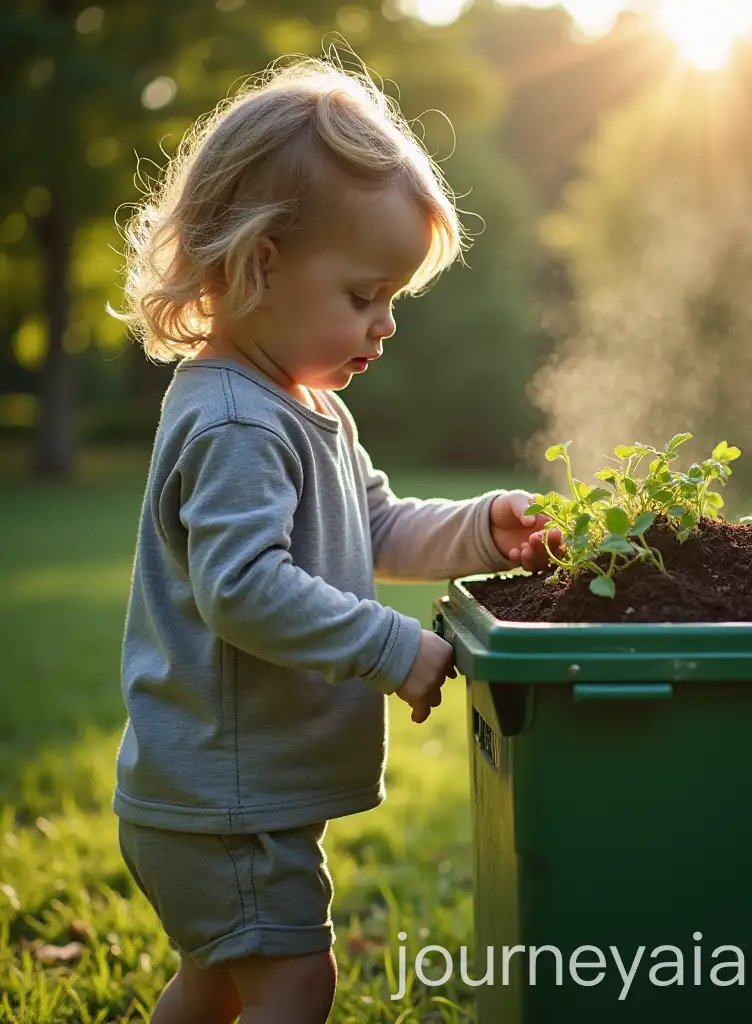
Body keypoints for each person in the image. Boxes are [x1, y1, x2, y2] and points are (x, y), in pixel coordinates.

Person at [108, 54, 562, 1024]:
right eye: (364, 295)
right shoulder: (238, 420)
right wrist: (391, 647)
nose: (386, 324)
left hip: (215, 796)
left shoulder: (298, 404)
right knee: (292, 984)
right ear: (259, 262)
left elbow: (375, 526)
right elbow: (243, 588)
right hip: (225, 802)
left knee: (217, 984)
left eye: (392, 298)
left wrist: (481, 527)